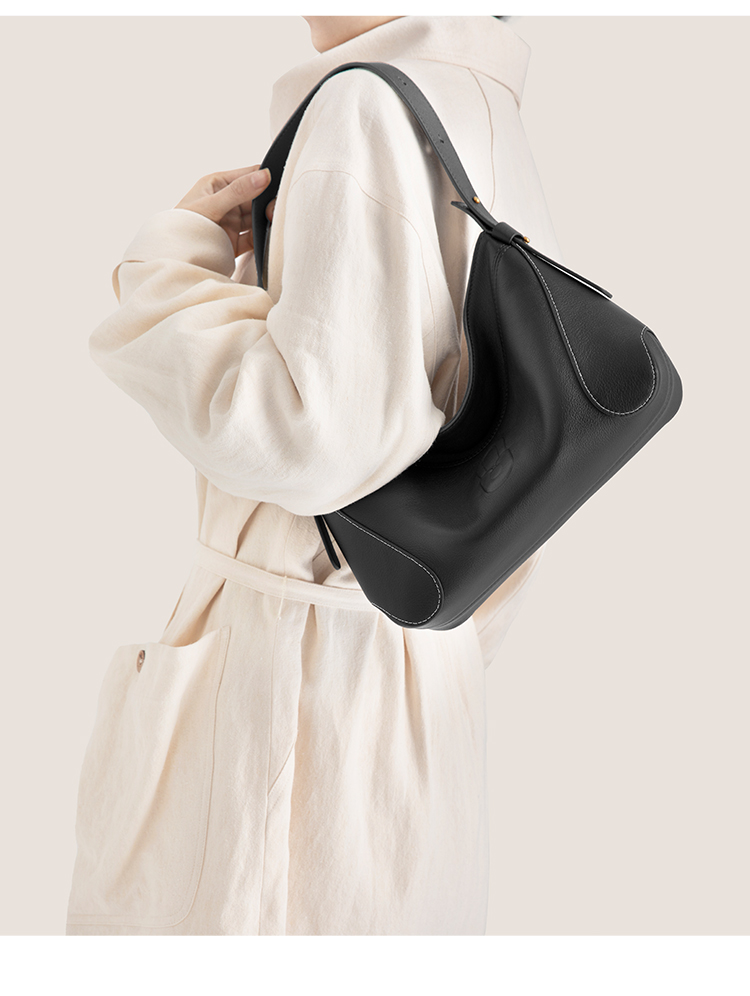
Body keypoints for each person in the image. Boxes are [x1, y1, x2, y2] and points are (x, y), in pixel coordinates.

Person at [65, 14, 561, 936]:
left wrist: (167, 266)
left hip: (290, 699)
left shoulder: (363, 108)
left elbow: (310, 434)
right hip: (417, 685)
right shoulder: (484, 107)